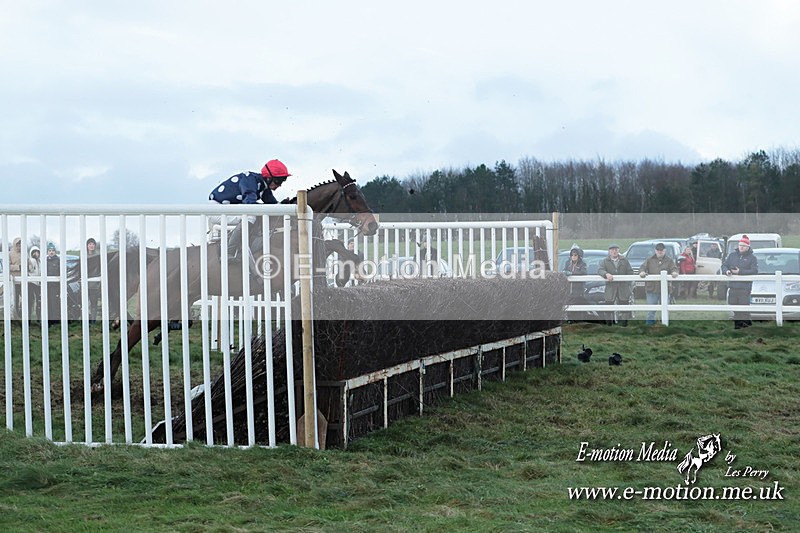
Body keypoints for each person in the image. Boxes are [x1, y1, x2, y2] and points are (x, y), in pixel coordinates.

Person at [208, 159, 291, 258]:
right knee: (251, 216)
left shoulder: (263, 187)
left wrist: (283, 206)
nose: (279, 185)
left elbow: (273, 206)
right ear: (268, 178)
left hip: (227, 209)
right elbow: (250, 204)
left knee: (253, 215)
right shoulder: (250, 180)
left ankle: (243, 246)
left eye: (282, 181)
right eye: (278, 181)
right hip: (217, 210)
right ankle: (229, 251)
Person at [721, 234, 758, 329]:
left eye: (744, 245)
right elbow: (724, 265)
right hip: (733, 287)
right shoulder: (732, 256)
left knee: (744, 309)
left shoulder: (752, 258)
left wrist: (740, 272)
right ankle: (737, 326)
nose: (741, 247)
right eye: (740, 245)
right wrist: (727, 271)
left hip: (744, 288)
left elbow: (754, 271)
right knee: (733, 306)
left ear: (748, 247)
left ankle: (746, 327)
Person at [638, 243, 679, 325]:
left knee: (664, 309)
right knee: (651, 310)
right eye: (658, 250)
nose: (660, 252)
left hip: (664, 289)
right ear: (655, 251)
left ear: (665, 251)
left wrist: (674, 272)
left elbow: (674, 268)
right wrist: (642, 272)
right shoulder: (649, 260)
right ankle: (649, 326)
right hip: (651, 289)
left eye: (662, 250)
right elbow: (642, 267)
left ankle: (663, 326)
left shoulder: (669, 260)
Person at [597, 244, 634, 326]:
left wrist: (627, 283)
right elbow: (600, 270)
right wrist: (606, 274)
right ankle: (609, 325)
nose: (614, 252)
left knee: (624, 305)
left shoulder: (624, 260)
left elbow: (630, 272)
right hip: (611, 288)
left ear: (618, 250)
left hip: (623, 287)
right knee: (608, 306)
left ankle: (624, 324)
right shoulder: (605, 261)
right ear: (609, 251)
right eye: (612, 250)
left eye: (615, 250)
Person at [45, 243, 61, 327]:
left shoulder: (58, 260)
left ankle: (55, 321)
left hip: (55, 286)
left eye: (53, 251)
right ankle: (48, 321)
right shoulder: (45, 260)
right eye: (49, 251)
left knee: (54, 303)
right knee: (47, 303)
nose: (51, 252)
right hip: (46, 286)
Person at [86, 237, 101, 324]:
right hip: (84, 284)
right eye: (90, 244)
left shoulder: (98, 256)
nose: (91, 246)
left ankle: (93, 321)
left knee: (93, 303)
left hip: (94, 284)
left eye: (93, 244)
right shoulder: (84, 255)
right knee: (85, 304)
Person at [9, 237, 23, 317]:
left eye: (20, 244)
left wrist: (30, 266)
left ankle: (22, 315)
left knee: (25, 299)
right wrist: (18, 267)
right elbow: (7, 266)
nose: (19, 246)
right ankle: (15, 316)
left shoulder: (25, 253)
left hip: (24, 281)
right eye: (18, 244)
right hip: (14, 281)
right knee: (15, 300)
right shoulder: (10, 254)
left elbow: (28, 263)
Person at [27, 245, 42, 320]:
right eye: (34, 252)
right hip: (31, 283)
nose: (36, 254)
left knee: (38, 301)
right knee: (30, 301)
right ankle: (29, 318)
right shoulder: (31, 260)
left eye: (37, 252)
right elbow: (31, 270)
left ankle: (38, 317)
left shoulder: (40, 261)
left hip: (38, 283)